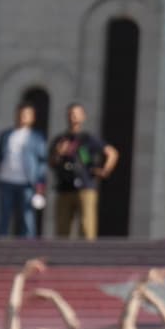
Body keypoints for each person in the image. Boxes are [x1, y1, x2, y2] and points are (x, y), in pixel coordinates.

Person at [48, 102, 119, 240]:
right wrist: (58, 153)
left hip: (86, 186)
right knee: (62, 230)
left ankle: (87, 258)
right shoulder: (60, 140)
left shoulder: (88, 138)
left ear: (83, 116)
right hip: (64, 187)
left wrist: (105, 171)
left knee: (87, 228)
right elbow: (51, 163)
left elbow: (112, 153)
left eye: (76, 114)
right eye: (70, 114)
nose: (73, 117)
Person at [0, 102, 49, 238]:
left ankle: (28, 247)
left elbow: (42, 162)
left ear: (32, 117)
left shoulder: (37, 137)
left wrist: (40, 183)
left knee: (27, 216)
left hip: (26, 182)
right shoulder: (6, 134)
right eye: (20, 114)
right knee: (4, 216)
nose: (22, 117)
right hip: (6, 180)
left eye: (26, 114)